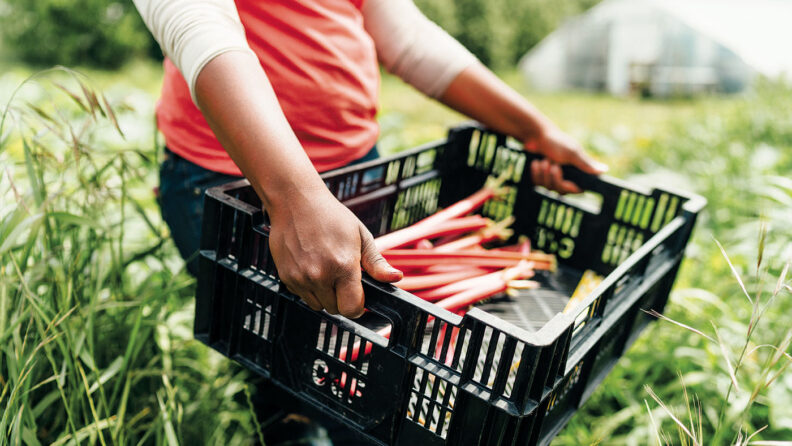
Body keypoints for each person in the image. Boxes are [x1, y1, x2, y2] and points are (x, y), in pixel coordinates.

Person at [133, 0, 607, 443]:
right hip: (234, 176)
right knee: (283, 359)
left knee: (331, 361)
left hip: (355, 171)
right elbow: (194, 20)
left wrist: (534, 130)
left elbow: (405, 35)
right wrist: (293, 197)